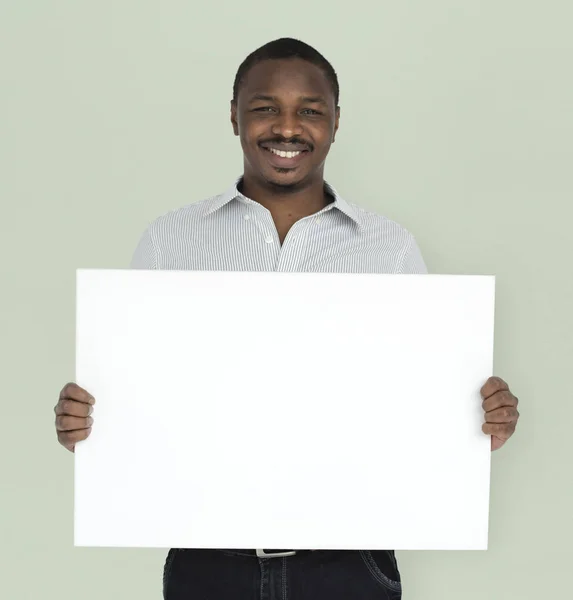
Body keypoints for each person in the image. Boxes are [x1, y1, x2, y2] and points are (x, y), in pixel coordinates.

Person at [54, 38, 520, 600]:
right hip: (208, 564)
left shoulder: (390, 249)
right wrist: (88, 423)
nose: (288, 127)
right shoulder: (170, 239)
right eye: (265, 107)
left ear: (336, 122)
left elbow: (420, 398)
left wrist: (479, 424)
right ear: (234, 116)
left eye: (310, 110)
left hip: (350, 565)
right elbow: (136, 396)